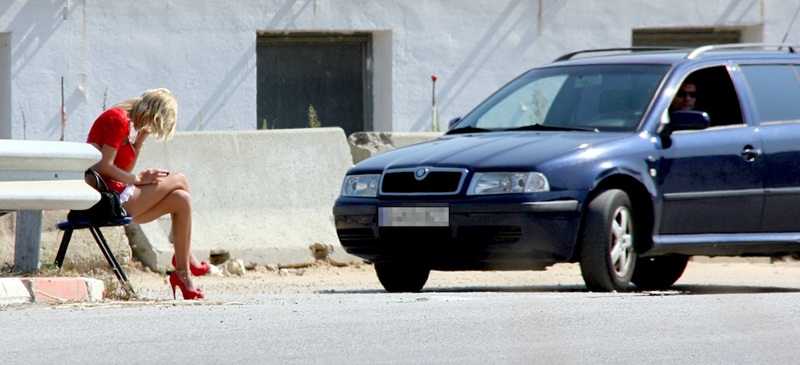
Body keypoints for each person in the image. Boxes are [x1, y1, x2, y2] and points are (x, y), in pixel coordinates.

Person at [85, 88, 208, 300]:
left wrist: (138, 143)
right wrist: (139, 180)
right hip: (107, 199)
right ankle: (185, 255)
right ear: (152, 112)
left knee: (182, 199)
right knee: (179, 179)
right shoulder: (117, 118)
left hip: (117, 195)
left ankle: (183, 274)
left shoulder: (125, 123)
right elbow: (104, 167)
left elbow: (122, 167)